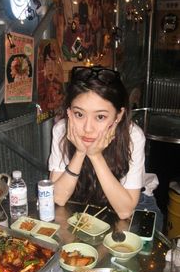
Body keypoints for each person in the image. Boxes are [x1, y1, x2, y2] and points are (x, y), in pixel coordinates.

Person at [48, 66, 163, 231]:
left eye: (100, 117)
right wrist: (80, 153)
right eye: (79, 114)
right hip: (84, 200)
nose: (88, 128)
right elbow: (58, 198)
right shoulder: (61, 130)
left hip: (134, 203)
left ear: (118, 116)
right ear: (69, 112)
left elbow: (125, 211)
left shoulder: (133, 136)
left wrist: (95, 156)